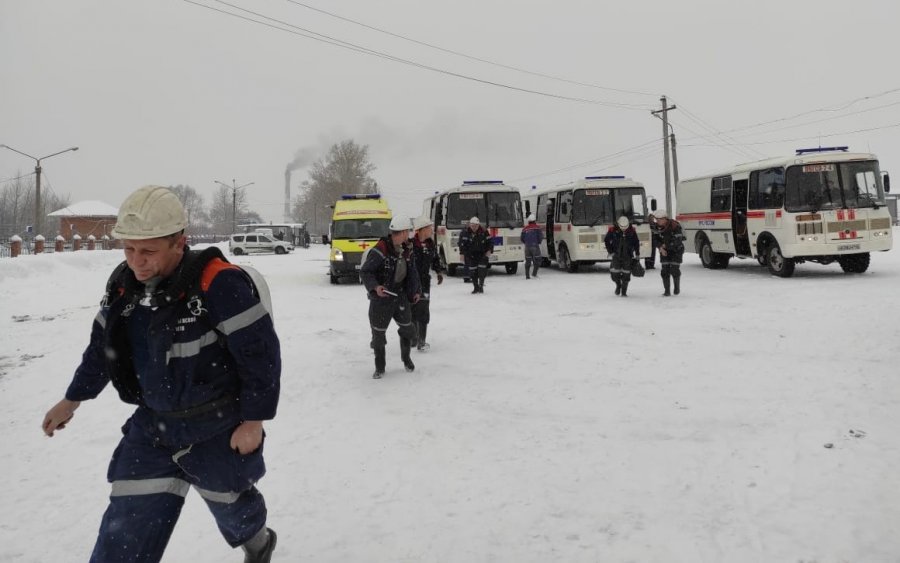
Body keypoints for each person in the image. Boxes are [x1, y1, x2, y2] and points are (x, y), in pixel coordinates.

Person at [41, 185, 281, 563]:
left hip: (217, 427)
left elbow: (260, 356)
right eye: (129, 249)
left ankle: (259, 544)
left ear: (179, 243)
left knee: (234, 508)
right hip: (153, 429)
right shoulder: (124, 287)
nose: (137, 261)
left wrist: (253, 421)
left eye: (149, 251)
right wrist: (72, 400)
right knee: (125, 530)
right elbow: (101, 350)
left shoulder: (219, 284)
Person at [360, 217, 421, 378]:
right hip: (382, 299)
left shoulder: (407, 249)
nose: (409, 235)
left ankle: (406, 358)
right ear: (400, 233)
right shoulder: (380, 249)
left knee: (408, 329)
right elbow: (366, 272)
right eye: (407, 232)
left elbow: (413, 273)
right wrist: (375, 287)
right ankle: (380, 367)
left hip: (400, 297)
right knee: (378, 335)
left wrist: (415, 291)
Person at [411, 215, 444, 351]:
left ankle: (422, 341)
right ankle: (413, 338)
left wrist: (439, 272)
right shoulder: (410, 245)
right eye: (429, 227)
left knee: (423, 311)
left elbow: (435, 259)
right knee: (412, 311)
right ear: (421, 230)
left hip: (424, 282)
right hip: (411, 283)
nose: (432, 230)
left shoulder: (430, 244)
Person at [604, 215, 640, 297]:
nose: (624, 229)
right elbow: (606, 240)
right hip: (616, 255)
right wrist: (610, 251)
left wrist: (637, 253)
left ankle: (624, 291)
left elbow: (636, 242)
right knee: (615, 273)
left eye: (625, 227)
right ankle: (618, 285)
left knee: (626, 274)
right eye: (622, 227)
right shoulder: (612, 230)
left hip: (628, 256)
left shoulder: (632, 231)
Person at [653, 210, 685, 296]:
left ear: (665, 219)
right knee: (664, 271)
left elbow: (678, 240)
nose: (658, 221)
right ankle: (667, 291)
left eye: (660, 219)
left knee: (674, 270)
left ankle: (676, 288)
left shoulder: (675, 226)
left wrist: (666, 246)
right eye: (657, 219)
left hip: (676, 250)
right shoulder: (656, 227)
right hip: (664, 251)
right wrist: (660, 247)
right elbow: (655, 240)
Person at [458, 216, 494, 294]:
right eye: (472, 225)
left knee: (482, 271)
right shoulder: (464, 233)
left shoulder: (484, 231)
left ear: (478, 225)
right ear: (470, 225)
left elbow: (490, 242)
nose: (474, 227)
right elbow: (461, 244)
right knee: (472, 272)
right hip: (470, 255)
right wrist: (462, 254)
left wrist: (489, 250)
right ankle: (476, 287)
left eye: (475, 226)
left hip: (482, 254)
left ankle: (481, 286)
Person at [520, 214, 543, 279]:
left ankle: (527, 276)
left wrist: (527, 243)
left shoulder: (525, 228)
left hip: (527, 247)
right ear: (534, 221)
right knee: (538, 260)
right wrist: (538, 242)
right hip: (535, 246)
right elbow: (540, 237)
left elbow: (522, 238)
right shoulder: (537, 228)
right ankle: (534, 274)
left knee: (528, 261)